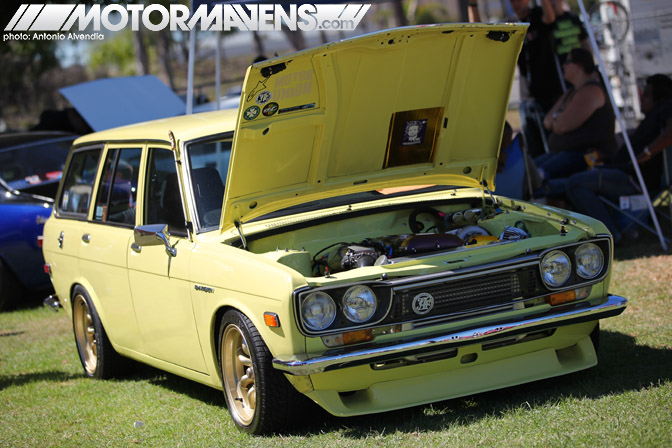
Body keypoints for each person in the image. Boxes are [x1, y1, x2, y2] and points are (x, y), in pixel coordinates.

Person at [565, 74, 672, 243]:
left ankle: (609, 235)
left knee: (574, 183)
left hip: (635, 179)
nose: (641, 99)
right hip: (623, 171)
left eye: (645, 95)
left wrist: (647, 153)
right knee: (571, 173)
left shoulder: (665, 107)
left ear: (658, 96)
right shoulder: (653, 116)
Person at [536, 48, 616, 180]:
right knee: (528, 171)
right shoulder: (572, 91)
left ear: (579, 65)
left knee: (536, 177)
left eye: (567, 62)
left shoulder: (591, 91)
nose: (563, 66)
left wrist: (557, 119)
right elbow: (547, 120)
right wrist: (558, 119)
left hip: (585, 157)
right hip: (563, 153)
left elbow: (562, 126)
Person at [511, 0, 560, 113]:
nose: (516, 4)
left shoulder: (537, 14)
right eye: (512, 1)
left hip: (549, 94)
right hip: (526, 97)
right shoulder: (512, 23)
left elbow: (549, 18)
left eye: (519, 1)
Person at [550, 0, 590, 66]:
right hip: (562, 67)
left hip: (579, 64)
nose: (552, 2)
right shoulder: (548, 24)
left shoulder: (573, 18)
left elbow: (585, 41)